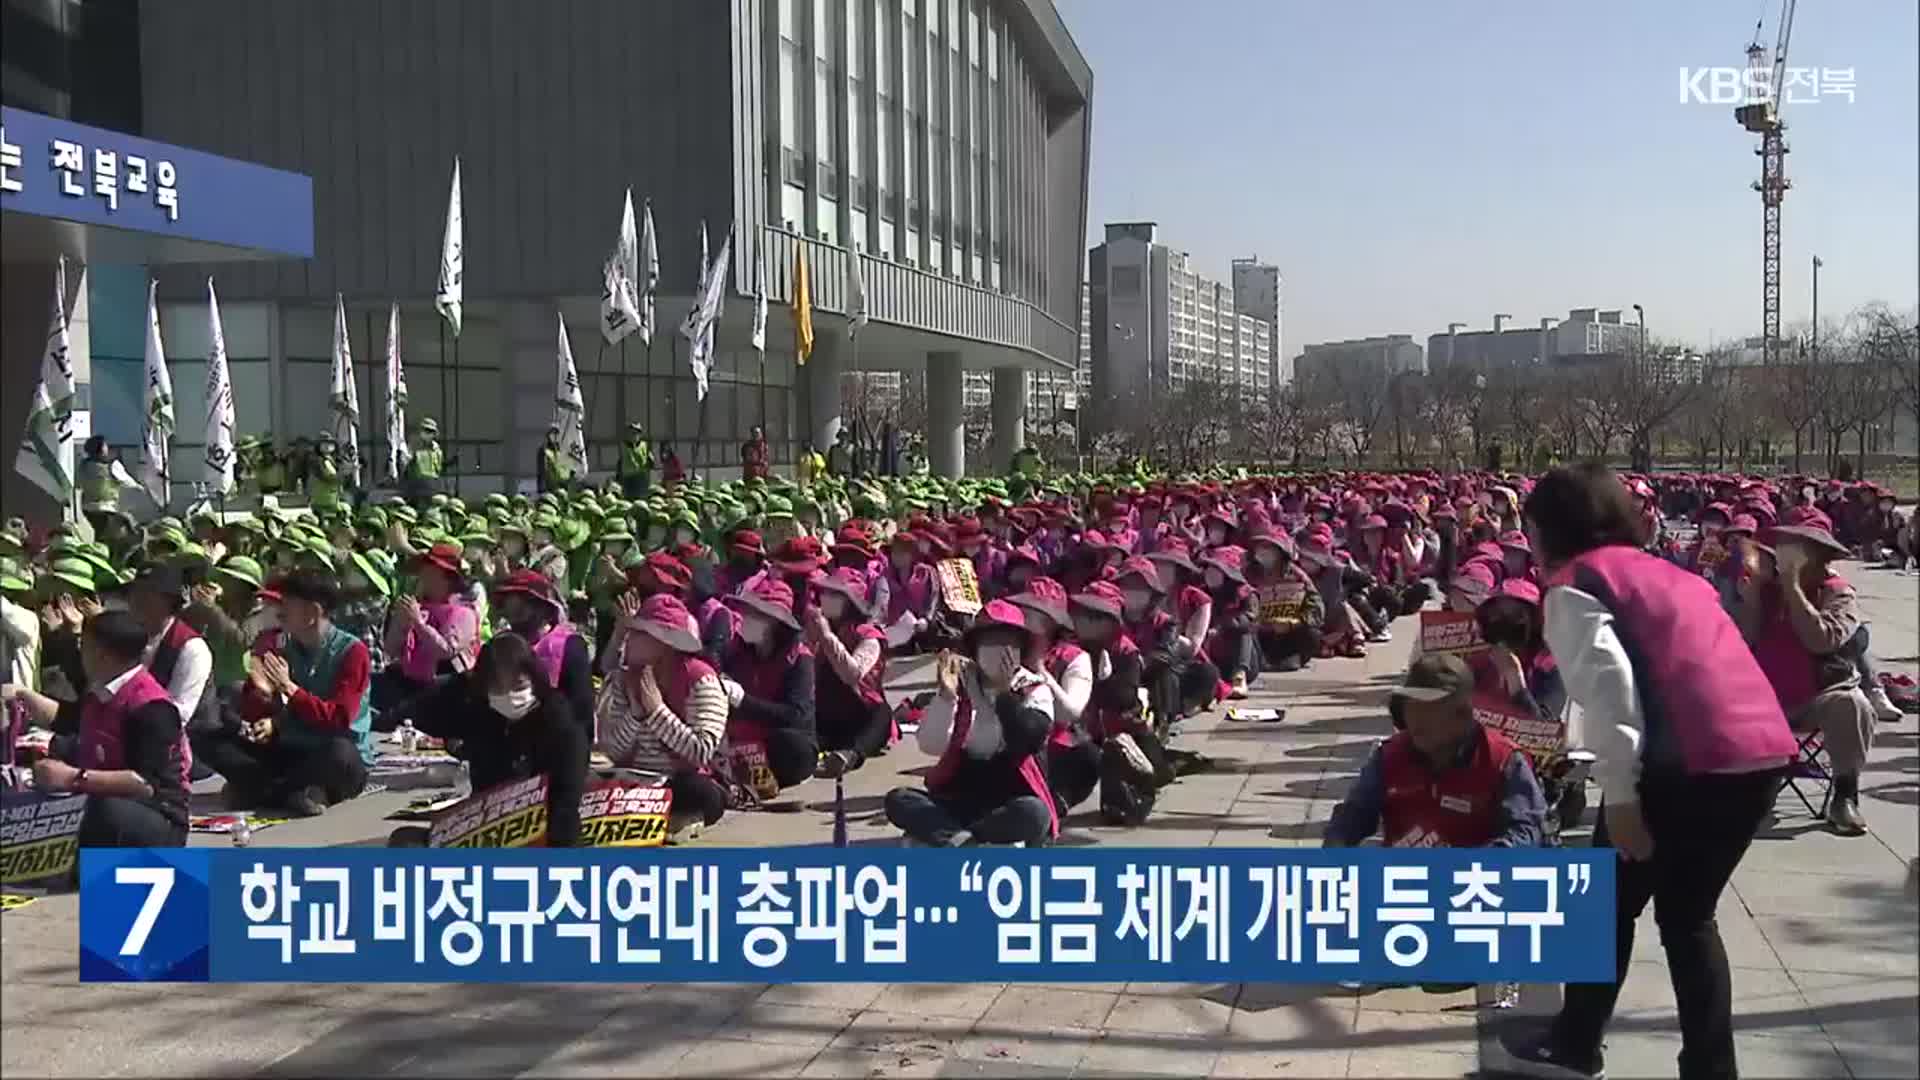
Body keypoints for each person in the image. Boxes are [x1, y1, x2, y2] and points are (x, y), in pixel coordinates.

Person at [1497, 464, 1796, 1080]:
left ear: (1551, 527)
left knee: (1608, 904)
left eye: (1530, 525)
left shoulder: (1577, 584)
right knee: (1687, 918)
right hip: (1758, 752)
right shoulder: (1664, 571)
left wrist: (1624, 800)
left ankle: (1576, 1044)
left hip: (1684, 761)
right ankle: (1706, 1067)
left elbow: (1610, 694)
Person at [1729, 524, 1878, 835]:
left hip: (1817, 693)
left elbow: (1821, 640)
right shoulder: (1766, 587)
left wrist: (1794, 588)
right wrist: (1753, 596)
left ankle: (1844, 795)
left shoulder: (1837, 592)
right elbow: (1743, 641)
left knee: (1851, 704)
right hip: (1761, 697)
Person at [2, 610, 191, 847]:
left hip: (156, 817)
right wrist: (22, 694)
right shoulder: (102, 690)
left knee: (102, 810)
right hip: (103, 795)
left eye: (84, 645)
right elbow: (67, 719)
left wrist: (72, 778)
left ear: (102, 655)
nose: (81, 652)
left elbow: (145, 784)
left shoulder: (153, 707)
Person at [1323, 654, 1546, 849]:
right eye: (1411, 707)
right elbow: (1353, 815)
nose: (1417, 720)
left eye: (1429, 709)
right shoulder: (1389, 756)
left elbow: (1526, 831)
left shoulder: (1503, 760)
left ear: (1462, 715)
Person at [200, 571, 375, 817]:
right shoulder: (284, 646)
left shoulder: (353, 652)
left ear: (312, 613)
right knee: (211, 735)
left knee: (340, 752)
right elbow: (263, 710)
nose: (279, 612)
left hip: (333, 752)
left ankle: (264, 791)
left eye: (286, 605)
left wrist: (289, 688)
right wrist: (264, 702)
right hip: (293, 748)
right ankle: (290, 792)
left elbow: (339, 718)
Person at [884, 600, 1056, 847]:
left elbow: (1027, 740)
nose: (1000, 650)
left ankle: (962, 838)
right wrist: (946, 698)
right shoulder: (961, 682)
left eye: (1008, 643)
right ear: (975, 649)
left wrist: (1003, 694)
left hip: (1009, 799)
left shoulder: (1034, 689)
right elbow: (930, 745)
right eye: (991, 642)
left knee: (1035, 813)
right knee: (899, 800)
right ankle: (960, 839)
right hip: (960, 795)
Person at [409, 633, 589, 846]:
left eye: (519, 685)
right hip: (486, 831)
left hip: (541, 839)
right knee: (406, 842)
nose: (509, 695)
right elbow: (422, 713)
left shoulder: (563, 727)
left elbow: (565, 809)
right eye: (498, 688)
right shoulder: (482, 715)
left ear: (535, 678)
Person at [598, 594, 730, 841]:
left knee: (702, 793)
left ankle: (682, 816)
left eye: (639, 634)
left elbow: (701, 751)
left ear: (663, 641)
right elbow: (613, 750)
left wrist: (656, 710)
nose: (630, 640)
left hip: (679, 781)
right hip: (634, 778)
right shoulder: (623, 679)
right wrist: (636, 716)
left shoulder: (701, 679)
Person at [717, 578, 818, 798]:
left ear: (774, 622)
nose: (745, 619)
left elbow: (794, 714)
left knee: (790, 745)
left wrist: (743, 701)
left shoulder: (800, 659)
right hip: (741, 742)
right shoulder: (736, 651)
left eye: (754, 614)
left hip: (780, 743)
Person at [373, 542, 479, 726]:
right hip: (410, 681)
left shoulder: (464, 613)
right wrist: (401, 625)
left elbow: (447, 650)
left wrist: (419, 624)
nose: (423, 578)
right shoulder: (417, 608)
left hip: (446, 687)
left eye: (430, 573)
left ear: (447, 579)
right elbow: (390, 649)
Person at [806, 568, 892, 777]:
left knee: (882, 714)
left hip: (859, 714)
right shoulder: (816, 629)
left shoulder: (868, 637)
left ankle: (850, 756)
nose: (825, 599)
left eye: (834, 594)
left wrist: (827, 637)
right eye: (824, 593)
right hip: (826, 714)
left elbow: (852, 674)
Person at [491, 569, 595, 741]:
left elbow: (581, 710)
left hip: (556, 745)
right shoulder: (500, 646)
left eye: (516, 601)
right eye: (505, 602)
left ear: (539, 606)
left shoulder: (569, 645)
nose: (508, 608)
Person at [125, 564, 217, 739]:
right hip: (135, 733)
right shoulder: (130, 636)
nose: (136, 600)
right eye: (134, 592)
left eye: (148, 594)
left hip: (191, 743)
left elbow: (178, 716)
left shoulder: (192, 648)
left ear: (170, 601)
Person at [402, 418, 444, 503]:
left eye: (430, 431)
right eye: (425, 430)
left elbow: (438, 469)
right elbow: (406, 464)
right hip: (416, 486)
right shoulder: (414, 446)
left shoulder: (437, 450)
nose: (428, 434)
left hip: (432, 487)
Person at [617, 421, 654, 499]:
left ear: (639, 434)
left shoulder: (645, 445)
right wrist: (619, 477)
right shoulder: (624, 446)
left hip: (641, 479)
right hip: (628, 479)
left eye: (635, 433)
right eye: (631, 433)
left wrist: (651, 461)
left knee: (641, 500)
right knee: (629, 501)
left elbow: (651, 462)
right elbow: (620, 462)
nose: (633, 435)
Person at [539, 425, 573, 494]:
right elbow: (542, 471)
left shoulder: (563, 450)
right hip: (550, 488)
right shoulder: (544, 450)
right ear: (548, 436)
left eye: (556, 434)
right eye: (552, 434)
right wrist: (542, 489)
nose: (554, 436)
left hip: (563, 487)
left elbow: (568, 467)